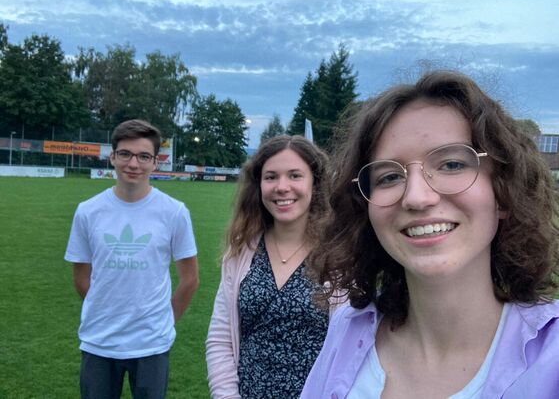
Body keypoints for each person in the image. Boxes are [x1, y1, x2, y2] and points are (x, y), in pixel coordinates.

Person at [301, 71, 559, 398]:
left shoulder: (551, 357)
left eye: (451, 165)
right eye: (389, 177)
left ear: (503, 192)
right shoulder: (347, 330)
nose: (416, 197)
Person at [65, 119, 199, 399]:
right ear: (112, 157)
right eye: (125, 154)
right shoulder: (88, 212)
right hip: (99, 340)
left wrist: (165, 320)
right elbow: (81, 278)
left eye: (143, 156)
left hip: (151, 344)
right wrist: (106, 308)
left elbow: (190, 280)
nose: (133, 164)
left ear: (155, 162)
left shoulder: (174, 212)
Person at [206, 135, 336, 398]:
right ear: (259, 185)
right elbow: (220, 340)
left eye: (295, 176)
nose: (282, 187)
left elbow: (356, 347)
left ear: (315, 183)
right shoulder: (241, 253)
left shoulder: (338, 256)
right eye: (271, 177)